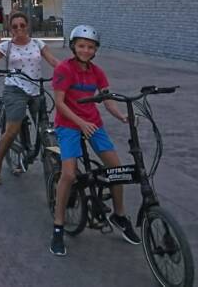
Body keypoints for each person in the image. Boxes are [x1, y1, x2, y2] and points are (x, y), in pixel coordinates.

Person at [49, 25, 140, 257]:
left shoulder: (97, 72)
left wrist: (121, 115)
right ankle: (58, 226)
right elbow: (59, 103)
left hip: (93, 124)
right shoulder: (63, 69)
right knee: (69, 174)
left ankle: (119, 215)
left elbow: (107, 99)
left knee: (117, 169)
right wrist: (80, 123)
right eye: (81, 46)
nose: (86, 50)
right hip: (69, 125)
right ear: (73, 47)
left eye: (90, 47)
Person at [0, 12, 60, 184]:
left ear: (27, 26)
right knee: (12, 130)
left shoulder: (38, 44)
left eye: (22, 25)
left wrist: (71, 71)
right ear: (10, 29)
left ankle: (46, 157)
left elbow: (54, 62)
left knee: (45, 127)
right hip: (15, 89)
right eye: (15, 26)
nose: (19, 29)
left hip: (36, 88)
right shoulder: (6, 46)